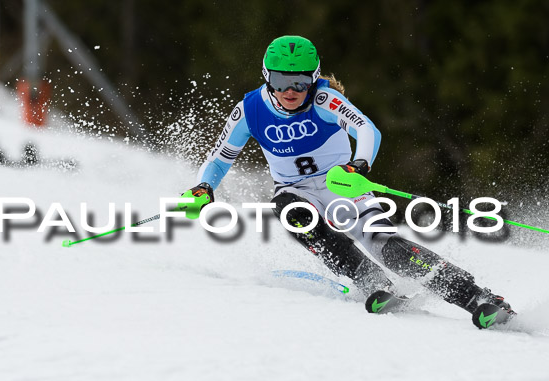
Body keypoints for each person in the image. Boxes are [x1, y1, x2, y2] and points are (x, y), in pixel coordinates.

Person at [186, 35, 513, 315]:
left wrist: (358, 166)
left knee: (388, 247)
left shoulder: (325, 99)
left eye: (299, 82)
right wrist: (204, 187)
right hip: (295, 188)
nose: (290, 91)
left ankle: (476, 297)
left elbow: (366, 130)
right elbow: (218, 159)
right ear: (266, 77)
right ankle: (371, 281)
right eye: (280, 81)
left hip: (341, 183)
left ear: (313, 79)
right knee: (294, 214)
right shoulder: (250, 109)